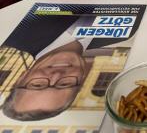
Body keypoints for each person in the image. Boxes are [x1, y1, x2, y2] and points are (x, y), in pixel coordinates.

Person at [1, 14, 131, 121]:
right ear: (82, 79)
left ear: (22, 77)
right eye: (65, 84)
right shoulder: (123, 33)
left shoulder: (15, 28)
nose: (56, 75)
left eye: (38, 85)